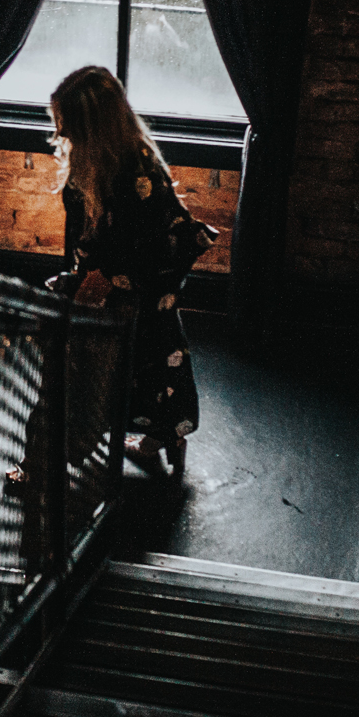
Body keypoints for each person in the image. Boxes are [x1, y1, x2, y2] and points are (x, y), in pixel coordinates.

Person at [41, 64, 212, 475]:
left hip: (137, 286)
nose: (61, 134)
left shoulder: (137, 172)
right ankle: (159, 442)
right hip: (126, 284)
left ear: (94, 125)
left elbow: (148, 245)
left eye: (69, 125)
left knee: (90, 372)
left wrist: (95, 280)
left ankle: (48, 459)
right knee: (148, 361)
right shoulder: (107, 155)